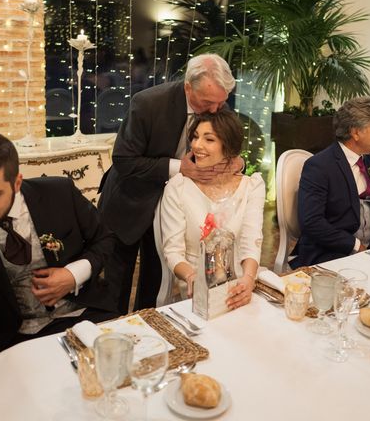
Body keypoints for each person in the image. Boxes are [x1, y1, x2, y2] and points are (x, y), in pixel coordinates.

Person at [0, 131, 119, 356]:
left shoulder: (59, 193)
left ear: (16, 182)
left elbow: (105, 238)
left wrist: (72, 275)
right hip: (16, 338)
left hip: (87, 315)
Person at [98, 53, 242, 313]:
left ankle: (151, 333)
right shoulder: (148, 103)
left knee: (155, 282)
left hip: (172, 207)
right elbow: (123, 159)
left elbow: (229, 143)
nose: (214, 110)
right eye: (208, 102)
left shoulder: (217, 104)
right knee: (116, 289)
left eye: (220, 103)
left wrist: (237, 162)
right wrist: (180, 168)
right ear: (189, 86)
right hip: (129, 202)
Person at [158, 111, 264, 309]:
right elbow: (173, 252)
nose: (197, 146)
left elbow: (252, 242)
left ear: (228, 145)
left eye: (209, 139)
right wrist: (191, 277)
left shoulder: (251, 187)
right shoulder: (178, 188)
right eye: (196, 137)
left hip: (242, 282)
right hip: (196, 288)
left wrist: (248, 279)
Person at [294, 96, 370, 267]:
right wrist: (356, 246)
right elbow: (312, 222)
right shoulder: (319, 166)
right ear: (355, 132)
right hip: (330, 254)